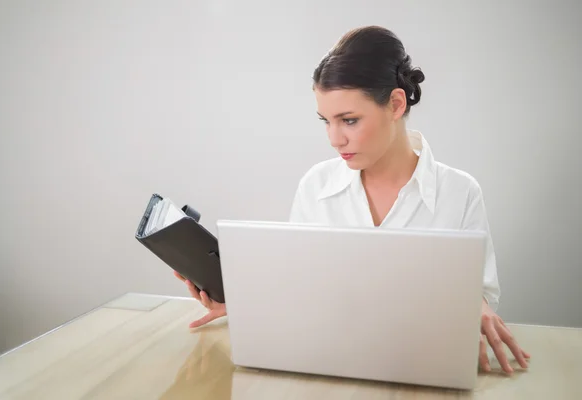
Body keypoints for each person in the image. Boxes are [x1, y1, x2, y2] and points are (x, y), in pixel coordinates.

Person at [175, 25, 531, 375]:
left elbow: (482, 299)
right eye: (325, 121)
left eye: (348, 120)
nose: (334, 138)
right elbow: (301, 291)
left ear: (395, 104)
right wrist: (246, 304)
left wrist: (477, 306)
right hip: (330, 370)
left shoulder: (460, 192)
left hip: (421, 370)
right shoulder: (316, 186)